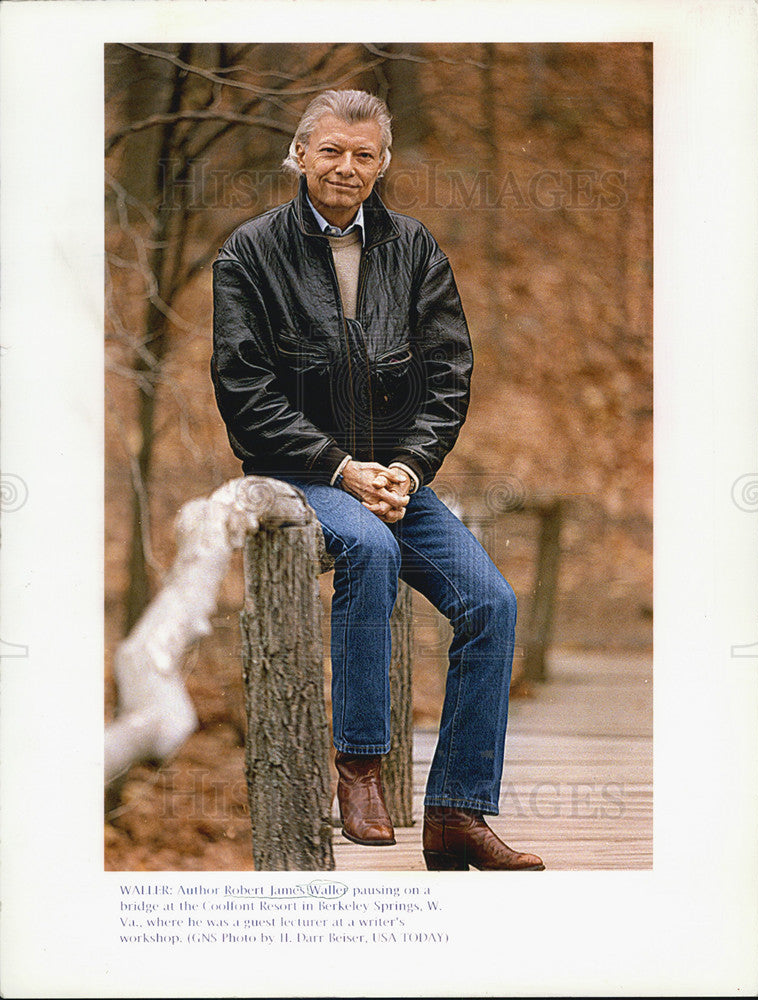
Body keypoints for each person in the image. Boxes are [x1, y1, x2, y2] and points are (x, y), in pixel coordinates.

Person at [211, 89, 544, 871]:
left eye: (364, 155)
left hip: (393, 475)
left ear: (383, 163)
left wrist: (406, 468)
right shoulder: (250, 252)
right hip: (302, 472)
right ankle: (360, 769)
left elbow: (448, 374)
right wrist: (339, 467)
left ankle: (456, 812)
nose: (346, 168)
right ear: (299, 154)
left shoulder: (414, 248)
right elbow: (242, 386)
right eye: (330, 151)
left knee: (491, 603)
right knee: (370, 552)